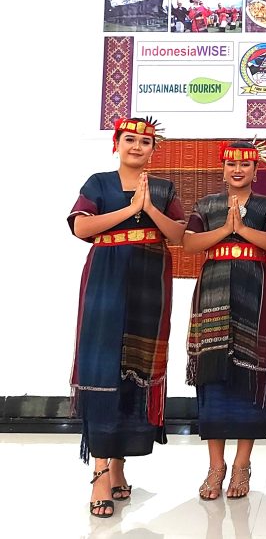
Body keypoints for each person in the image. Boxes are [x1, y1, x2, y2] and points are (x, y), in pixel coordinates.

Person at [68, 117, 186, 518]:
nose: (137, 146)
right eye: (130, 139)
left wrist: (149, 207)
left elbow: (178, 236)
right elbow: (81, 227)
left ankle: (120, 465)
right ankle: (100, 471)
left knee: (136, 369)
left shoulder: (165, 189)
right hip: (105, 278)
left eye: (146, 141)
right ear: (116, 144)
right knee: (101, 368)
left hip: (149, 283)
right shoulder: (98, 183)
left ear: (154, 149)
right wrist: (130, 211)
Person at [183, 140, 266, 500]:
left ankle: (242, 465)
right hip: (212, 290)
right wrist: (225, 228)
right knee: (212, 374)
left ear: (257, 171)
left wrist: (242, 230)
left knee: (250, 376)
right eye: (231, 164)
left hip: (254, 291)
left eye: (245, 165)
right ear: (223, 169)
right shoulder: (206, 205)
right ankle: (216, 466)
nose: (238, 170)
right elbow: (190, 244)